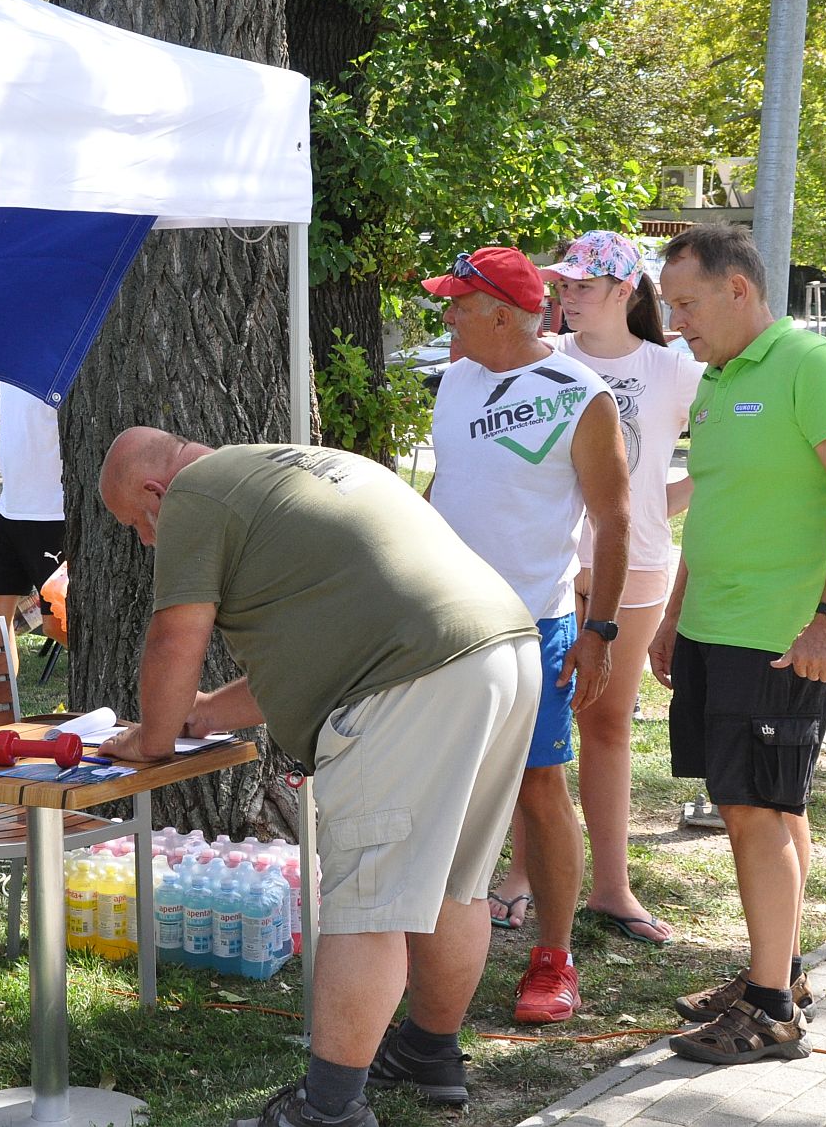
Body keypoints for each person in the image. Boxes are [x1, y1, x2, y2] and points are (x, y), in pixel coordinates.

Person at [96, 429, 538, 1127]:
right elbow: (322, 646)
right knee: (457, 883)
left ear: (155, 492)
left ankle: (327, 1110)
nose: (147, 540)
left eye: (135, 525)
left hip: (411, 676)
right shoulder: (291, 470)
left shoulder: (191, 496)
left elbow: (175, 636)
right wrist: (200, 713)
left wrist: (152, 740)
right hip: (502, 649)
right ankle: (428, 1053)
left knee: (367, 904)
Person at [648, 221, 826, 1066]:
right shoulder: (718, 380)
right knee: (772, 807)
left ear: (738, 288)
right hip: (714, 626)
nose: (676, 323)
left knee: (755, 812)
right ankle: (776, 972)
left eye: (686, 304)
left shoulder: (810, 363)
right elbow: (716, 505)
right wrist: (674, 614)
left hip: (779, 637)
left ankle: (772, 1012)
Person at [422, 245, 630, 1026]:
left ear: (505, 316)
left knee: (540, 788)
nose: (448, 315)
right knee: (445, 783)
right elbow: (449, 486)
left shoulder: (581, 395)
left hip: (532, 624)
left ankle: (554, 957)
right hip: (444, 621)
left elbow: (615, 519)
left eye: (459, 303)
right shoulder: (457, 377)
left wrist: (599, 630)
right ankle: (435, 941)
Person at [516, 231, 702, 946]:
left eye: (582, 286)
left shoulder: (673, 368)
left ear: (625, 291)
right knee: (536, 729)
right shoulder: (544, 358)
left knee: (607, 725)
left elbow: (719, 461)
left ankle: (612, 888)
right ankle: (521, 877)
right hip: (549, 570)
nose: (566, 297)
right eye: (562, 285)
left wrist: (654, 506)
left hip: (638, 569)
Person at [0, 385, 64, 669]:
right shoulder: (9, 364)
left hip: (52, 510)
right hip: (10, 505)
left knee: (59, 624)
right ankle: (4, 698)